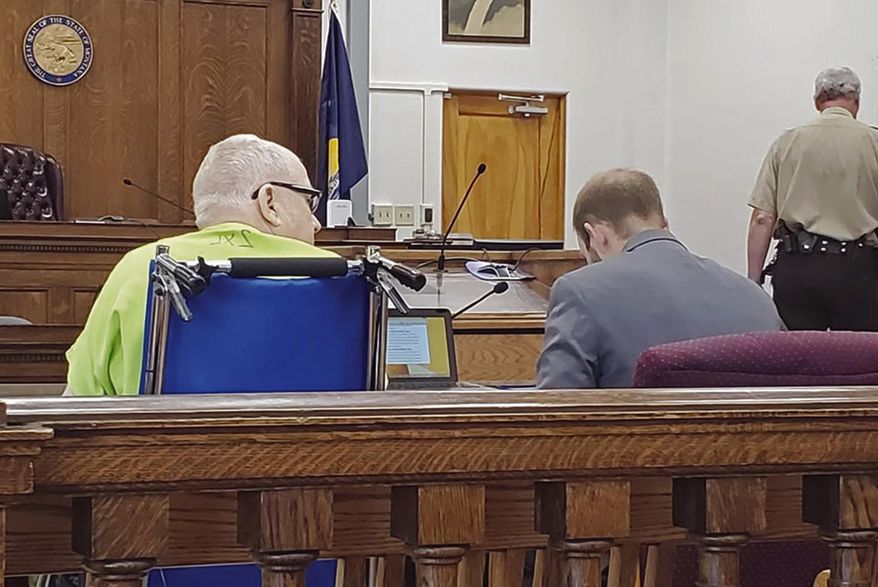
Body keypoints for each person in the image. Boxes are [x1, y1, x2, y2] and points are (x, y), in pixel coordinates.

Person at [66, 134, 336, 396]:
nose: (316, 223)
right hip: (318, 442)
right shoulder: (336, 277)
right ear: (269, 202)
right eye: (308, 201)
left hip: (158, 441)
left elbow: (77, 401)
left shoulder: (137, 268)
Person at [537, 169, 783, 389]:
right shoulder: (754, 296)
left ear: (596, 235)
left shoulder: (578, 291)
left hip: (633, 439)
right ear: (664, 224)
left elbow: (555, 412)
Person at [747, 67, 878, 330]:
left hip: (798, 269)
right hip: (861, 271)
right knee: (860, 365)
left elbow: (763, 218)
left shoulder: (787, 142)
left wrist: (753, 282)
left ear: (817, 101)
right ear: (857, 102)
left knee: (796, 362)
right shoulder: (874, 141)